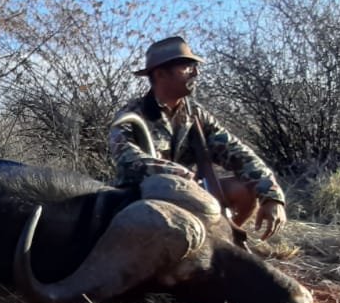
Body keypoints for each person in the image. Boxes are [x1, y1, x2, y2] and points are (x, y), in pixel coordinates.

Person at [108, 35, 287, 239]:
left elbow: (238, 153)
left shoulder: (196, 115)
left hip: (190, 194)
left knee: (244, 190)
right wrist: (182, 177)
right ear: (160, 74)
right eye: (186, 67)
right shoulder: (132, 114)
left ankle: (222, 239)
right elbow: (127, 160)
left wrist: (272, 196)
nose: (196, 73)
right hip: (143, 199)